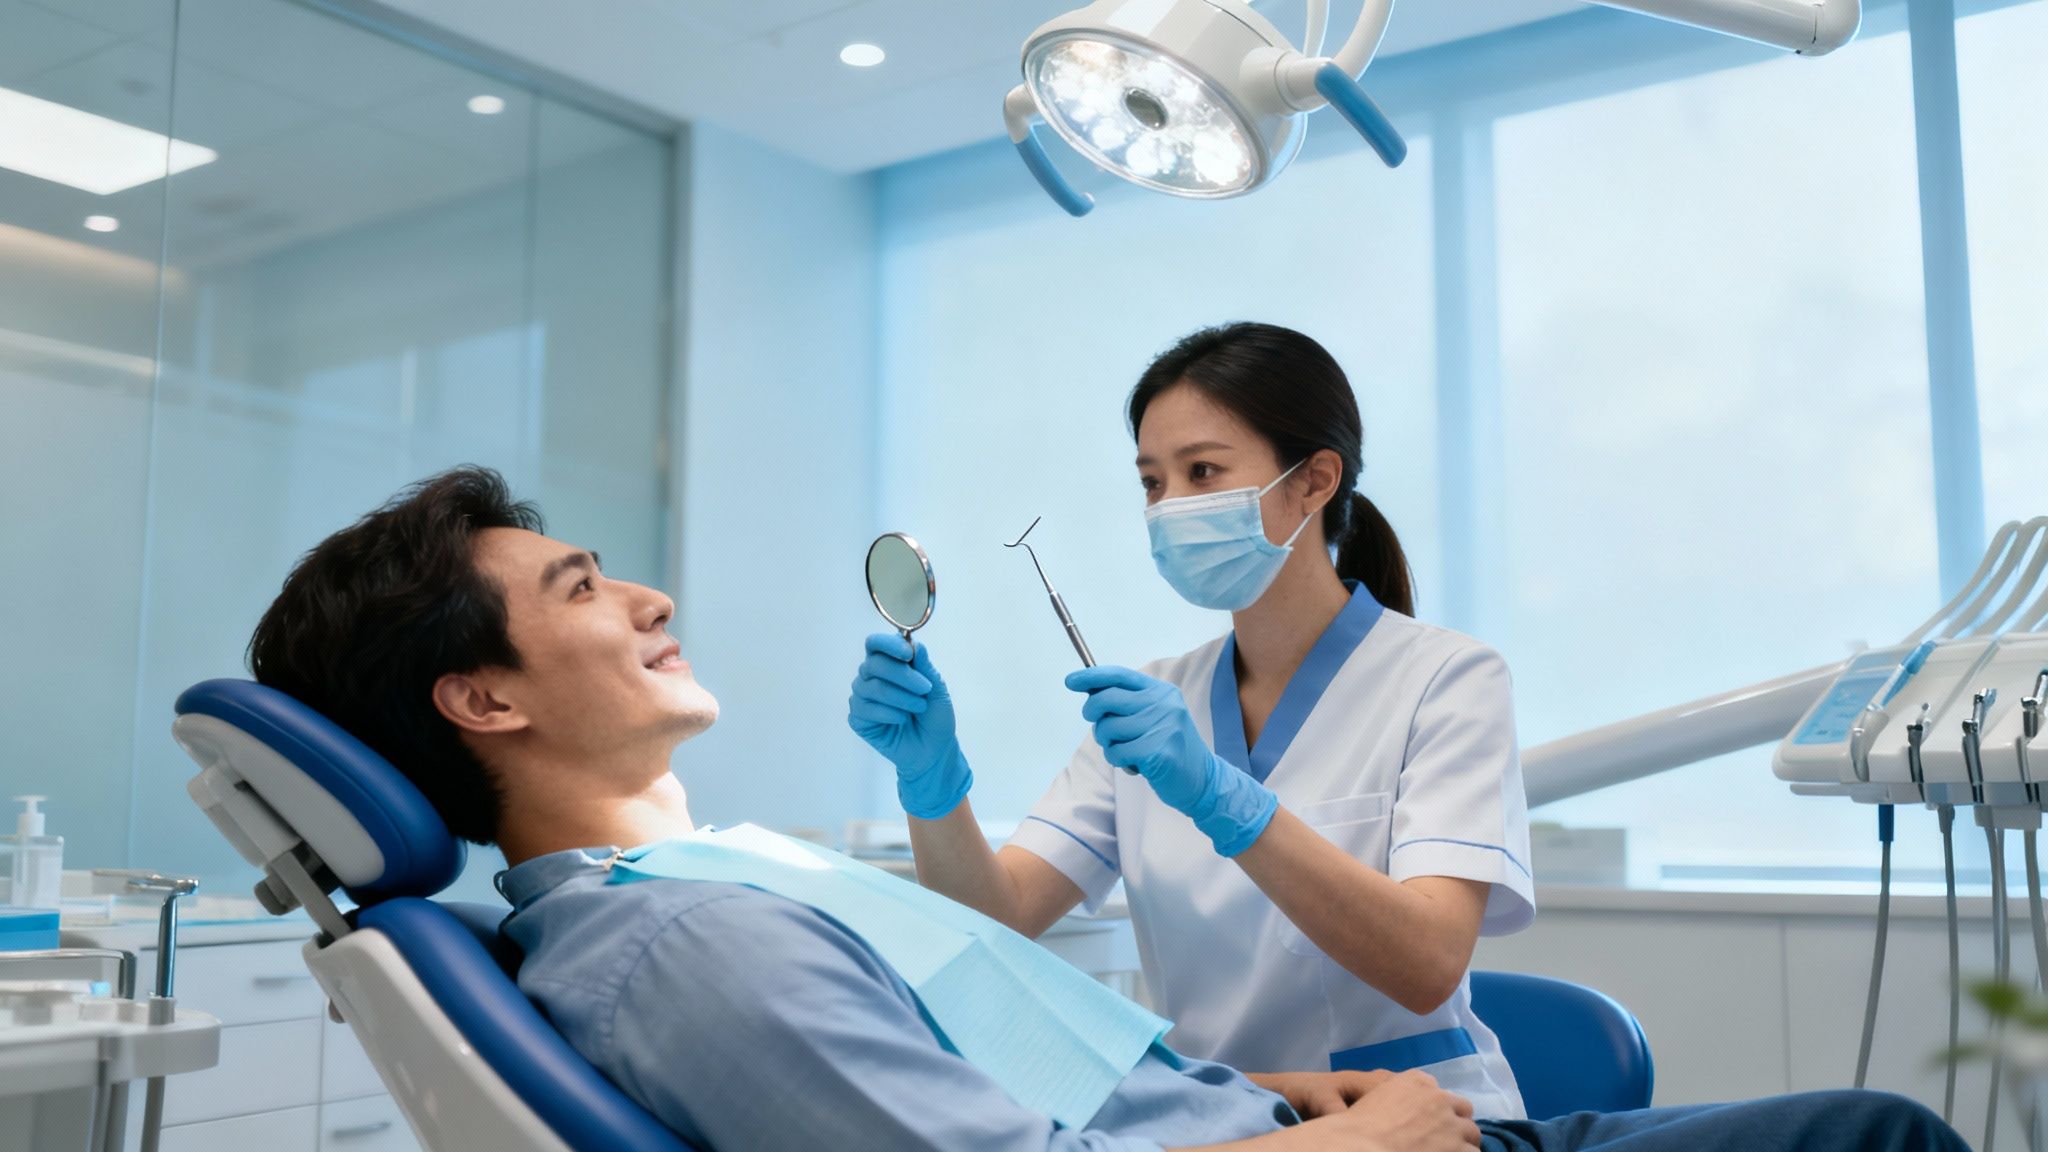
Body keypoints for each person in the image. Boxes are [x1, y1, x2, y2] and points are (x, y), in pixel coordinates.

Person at [248, 466, 1962, 1152]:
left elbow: (1001, 1047)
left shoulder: (711, 874)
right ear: (483, 695)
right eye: (579, 586)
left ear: (1316, 494)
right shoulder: (687, 934)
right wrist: (1345, 1142)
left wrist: (1278, 1087)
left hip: (1293, 1110)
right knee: (1875, 1139)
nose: (643, 595)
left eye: (1205, 478)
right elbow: (1001, 955)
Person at [851, 322, 1530, 1115]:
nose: (1169, 507)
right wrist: (931, 783)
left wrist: (1220, 797)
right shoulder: (1149, 708)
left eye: (1202, 471)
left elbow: (1427, 963)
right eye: (1151, 481)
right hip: (1223, 1123)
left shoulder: (1446, 679)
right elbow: (993, 919)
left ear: (1314, 481)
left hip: (1417, 1117)